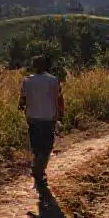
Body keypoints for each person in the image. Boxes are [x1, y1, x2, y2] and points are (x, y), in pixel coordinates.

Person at [19, 55, 64, 189]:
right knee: (47, 146)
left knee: (36, 144)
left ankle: (37, 167)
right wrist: (61, 114)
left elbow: (23, 99)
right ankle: (39, 170)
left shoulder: (27, 81)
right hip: (48, 117)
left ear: (33, 66)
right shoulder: (53, 81)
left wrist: (21, 105)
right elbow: (59, 99)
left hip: (32, 117)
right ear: (46, 66)